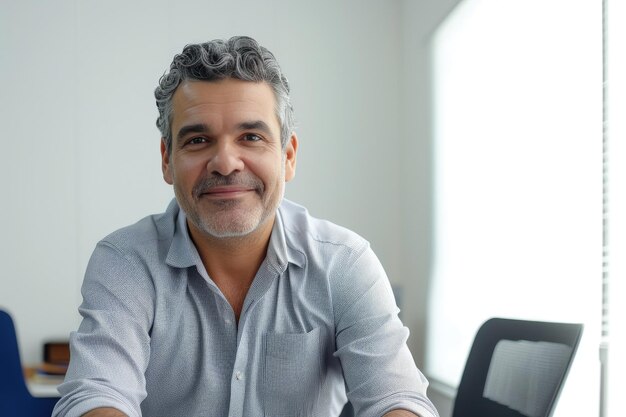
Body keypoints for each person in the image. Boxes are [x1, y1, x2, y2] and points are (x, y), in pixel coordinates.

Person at [52, 36, 439, 417]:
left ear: (288, 156)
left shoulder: (345, 263)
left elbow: (397, 398)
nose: (225, 162)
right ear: (167, 160)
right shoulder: (126, 261)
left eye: (251, 137)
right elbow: (96, 395)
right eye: (199, 139)